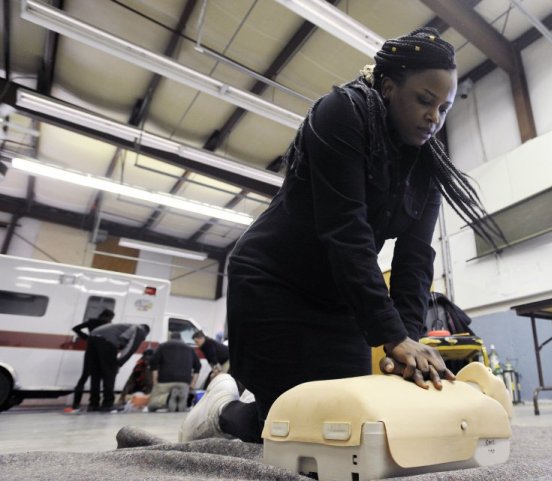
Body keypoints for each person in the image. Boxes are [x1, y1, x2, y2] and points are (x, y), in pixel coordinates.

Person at [180, 27, 502, 443]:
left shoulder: (427, 167)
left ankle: (239, 409)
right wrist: (390, 334)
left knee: (345, 429)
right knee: (288, 429)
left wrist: (405, 342)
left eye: (444, 108)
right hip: (273, 283)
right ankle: (219, 411)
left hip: (338, 302)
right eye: (425, 100)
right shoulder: (342, 113)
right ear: (388, 87)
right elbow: (347, 233)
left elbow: (415, 258)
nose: (434, 117)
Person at [87, 322, 150, 412]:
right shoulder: (140, 330)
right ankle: (107, 404)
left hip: (92, 337)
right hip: (106, 341)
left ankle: (93, 404)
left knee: (96, 374)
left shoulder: (127, 327)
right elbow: (131, 348)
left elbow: (123, 345)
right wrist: (118, 363)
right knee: (109, 374)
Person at [64, 308, 115, 413]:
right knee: (98, 378)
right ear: (110, 317)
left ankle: (77, 404)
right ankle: (97, 403)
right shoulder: (109, 325)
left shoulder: (92, 322)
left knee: (84, 377)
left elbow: (76, 328)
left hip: (90, 352)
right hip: (102, 354)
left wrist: (87, 337)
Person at [148, 332, 201, 412]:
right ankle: (180, 404)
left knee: (152, 405)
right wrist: (193, 384)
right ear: (181, 338)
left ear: (170, 338)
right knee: (181, 405)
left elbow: (153, 363)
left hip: (164, 381)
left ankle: (168, 398)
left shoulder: (163, 346)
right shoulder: (190, 349)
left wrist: (155, 381)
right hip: (184, 382)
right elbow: (198, 366)